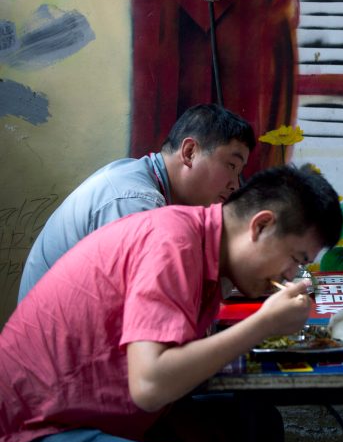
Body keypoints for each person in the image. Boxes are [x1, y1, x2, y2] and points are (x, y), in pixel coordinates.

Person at [0, 163, 343, 442]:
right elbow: (150, 385)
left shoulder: (203, 250)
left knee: (257, 423)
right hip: (31, 429)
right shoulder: (174, 242)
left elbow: (162, 381)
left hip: (100, 411)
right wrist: (263, 323)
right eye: (296, 260)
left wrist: (207, 439)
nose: (289, 276)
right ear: (261, 225)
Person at [17, 103, 256, 302]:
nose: (235, 184)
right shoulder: (134, 202)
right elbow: (155, 305)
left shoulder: (144, 182)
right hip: (55, 355)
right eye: (231, 166)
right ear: (190, 152)